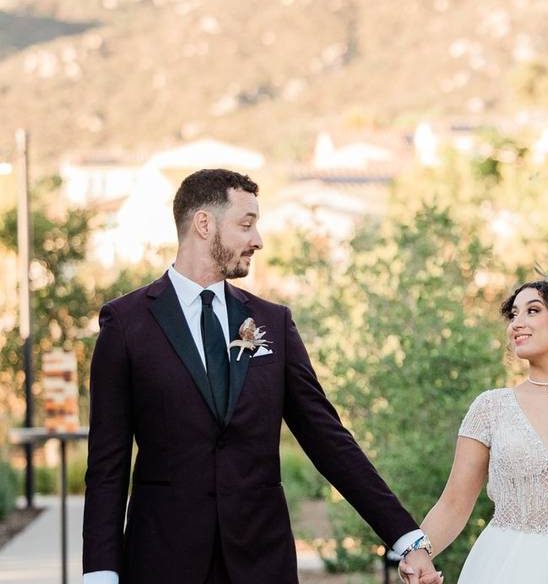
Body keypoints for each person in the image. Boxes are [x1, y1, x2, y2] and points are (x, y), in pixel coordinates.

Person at [82, 169, 440, 584]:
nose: (258, 240)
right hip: (163, 560)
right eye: (246, 224)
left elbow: (328, 438)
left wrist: (406, 537)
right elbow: (107, 465)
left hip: (262, 562)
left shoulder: (272, 321)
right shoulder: (126, 323)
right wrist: (100, 573)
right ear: (204, 224)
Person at [400, 261, 548, 584]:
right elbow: (454, 504)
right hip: (501, 567)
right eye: (513, 314)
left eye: (532, 311)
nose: (516, 323)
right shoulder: (490, 408)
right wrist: (419, 555)